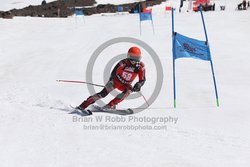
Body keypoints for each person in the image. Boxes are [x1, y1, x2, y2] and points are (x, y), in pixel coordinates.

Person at [77, 46, 146, 111]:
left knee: (128, 90)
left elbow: (142, 79)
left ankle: (110, 105)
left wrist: (139, 84)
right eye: (134, 59)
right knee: (103, 94)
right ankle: (83, 105)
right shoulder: (123, 63)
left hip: (125, 85)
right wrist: (111, 82)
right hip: (115, 82)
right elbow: (113, 73)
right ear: (129, 57)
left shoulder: (140, 66)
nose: (135, 61)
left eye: (138, 58)